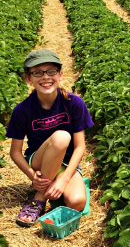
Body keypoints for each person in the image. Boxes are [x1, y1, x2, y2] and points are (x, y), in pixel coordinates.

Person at [6, 50, 94, 227]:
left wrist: (63, 179)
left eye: (51, 71)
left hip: (66, 163)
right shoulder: (22, 110)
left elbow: (80, 147)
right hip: (38, 160)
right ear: (28, 79)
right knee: (62, 137)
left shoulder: (74, 103)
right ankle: (40, 197)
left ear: (60, 75)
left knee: (77, 202)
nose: (45, 77)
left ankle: (55, 185)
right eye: (37, 72)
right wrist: (33, 178)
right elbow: (15, 152)